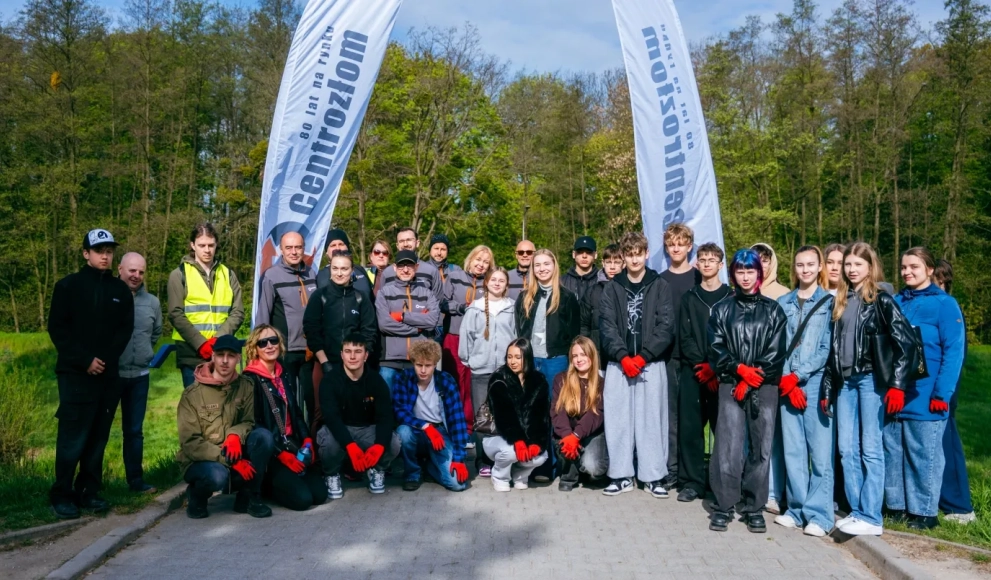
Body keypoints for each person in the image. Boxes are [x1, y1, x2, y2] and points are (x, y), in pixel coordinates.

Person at [819, 242, 916, 537]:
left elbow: (907, 343)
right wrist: (826, 389)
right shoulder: (841, 300)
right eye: (847, 264)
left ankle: (872, 515)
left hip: (871, 381)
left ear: (870, 267)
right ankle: (858, 511)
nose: (850, 269)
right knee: (847, 449)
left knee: (870, 449)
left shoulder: (882, 300)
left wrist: (897, 385)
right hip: (845, 383)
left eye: (857, 264)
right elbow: (832, 352)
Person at [48, 229, 135, 519]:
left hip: (107, 376)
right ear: (86, 253)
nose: (105, 256)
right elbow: (58, 330)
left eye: (109, 251)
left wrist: (105, 361)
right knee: (73, 436)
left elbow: (125, 330)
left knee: (98, 436)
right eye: (99, 250)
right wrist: (85, 360)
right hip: (75, 375)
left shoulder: (120, 290)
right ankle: (62, 494)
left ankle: (89, 491)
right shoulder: (68, 287)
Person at [707, 248, 787, 533]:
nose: (744, 277)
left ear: (759, 273)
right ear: (732, 274)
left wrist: (754, 376)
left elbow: (777, 352)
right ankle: (724, 504)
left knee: (761, 447)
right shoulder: (722, 309)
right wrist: (739, 370)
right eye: (739, 272)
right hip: (731, 384)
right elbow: (715, 348)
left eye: (750, 271)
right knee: (728, 446)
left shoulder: (774, 310)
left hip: (764, 387)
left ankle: (754, 506)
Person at [885, 247, 966, 530]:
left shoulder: (945, 305)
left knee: (924, 453)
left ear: (929, 270)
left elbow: (953, 351)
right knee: (893, 451)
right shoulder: (896, 301)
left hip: (927, 394)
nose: (907, 272)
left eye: (914, 267)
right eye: (904, 267)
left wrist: (942, 393)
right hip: (896, 391)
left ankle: (924, 512)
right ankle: (896, 507)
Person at [599, 232, 674, 498]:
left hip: (650, 363)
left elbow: (666, 326)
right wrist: (622, 356)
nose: (633, 259)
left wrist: (643, 356)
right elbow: (606, 326)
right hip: (619, 364)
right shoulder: (612, 287)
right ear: (623, 256)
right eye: (628, 254)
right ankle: (621, 475)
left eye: (638, 253)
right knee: (618, 420)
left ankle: (653, 476)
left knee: (651, 420)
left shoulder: (659, 284)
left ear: (645, 254)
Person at [774, 246, 835, 537]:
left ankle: (820, 515)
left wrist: (799, 375)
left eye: (811, 264)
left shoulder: (829, 302)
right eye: (800, 264)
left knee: (820, 453)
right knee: (794, 450)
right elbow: (777, 345)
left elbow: (826, 348)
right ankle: (796, 509)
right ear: (794, 267)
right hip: (787, 383)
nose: (805, 269)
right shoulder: (783, 301)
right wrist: (787, 377)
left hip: (814, 382)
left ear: (820, 266)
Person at [177, 335, 273, 519]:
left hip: (233, 450)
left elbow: (248, 421)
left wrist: (234, 435)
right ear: (212, 357)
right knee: (217, 476)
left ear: (238, 358)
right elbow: (190, 443)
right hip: (202, 460)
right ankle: (196, 496)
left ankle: (248, 497)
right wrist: (230, 460)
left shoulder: (246, 385)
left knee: (263, 437)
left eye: (231, 355)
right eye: (220, 355)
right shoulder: (192, 395)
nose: (225, 361)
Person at [242, 326, 327, 510]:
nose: (269, 346)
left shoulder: (283, 373)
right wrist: (281, 454)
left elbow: (296, 412)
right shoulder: (250, 379)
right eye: (262, 343)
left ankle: (287, 482)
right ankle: (264, 486)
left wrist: (306, 440)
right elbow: (254, 424)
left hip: (293, 444)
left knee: (320, 495)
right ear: (254, 348)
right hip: (273, 452)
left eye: (273, 340)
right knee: (303, 501)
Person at [675, 242, 731, 503]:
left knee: (724, 429)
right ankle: (691, 482)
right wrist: (702, 365)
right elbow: (684, 337)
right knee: (691, 429)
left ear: (721, 265)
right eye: (703, 259)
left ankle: (722, 481)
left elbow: (734, 338)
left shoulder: (731, 297)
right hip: (693, 372)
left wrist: (715, 367)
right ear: (696, 264)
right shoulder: (689, 298)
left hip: (723, 375)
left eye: (712, 260)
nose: (707, 264)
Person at [315, 334, 402, 497]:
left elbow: (385, 417)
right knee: (328, 443)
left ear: (366, 355)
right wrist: (350, 445)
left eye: (358, 351)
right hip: (339, 428)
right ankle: (331, 474)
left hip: (367, 429)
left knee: (394, 442)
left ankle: (376, 469)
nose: (353, 356)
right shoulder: (330, 380)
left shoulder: (376, 381)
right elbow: (331, 417)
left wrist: (379, 446)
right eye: (348, 351)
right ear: (341, 355)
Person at [168, 223, 245, 388]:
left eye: (211, 245)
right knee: (196, 408)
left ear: (216, 245)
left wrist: (218, 339)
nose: (207, 250)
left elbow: (238, 311)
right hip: (191, 353)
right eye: (202, 245)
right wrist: (200, 343)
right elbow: (175, 313)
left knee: (225, 407)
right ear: (192, 245)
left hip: (223, 352)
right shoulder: (178, 274)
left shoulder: (228, 274)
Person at [303, 250, 377, 416]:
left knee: (354, 412)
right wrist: (324, 362)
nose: (339, 273)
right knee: (321, 412)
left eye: (344, 269)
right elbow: (311, 330)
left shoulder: (361, 298)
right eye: (335, 268)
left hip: (354, 365)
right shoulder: (319, 297)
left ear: (352, 271)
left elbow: (369, 331)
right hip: (325, 362)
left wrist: (361, 360)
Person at [459, 267, 515, 476]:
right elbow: (466, 340)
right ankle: (483, 460)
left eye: (502, 280)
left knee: (505, 414)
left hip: (505, 371)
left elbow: (517, 337)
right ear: (487, 283)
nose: (497, 283)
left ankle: (505, 457)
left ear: (506, 284)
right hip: (481, 371)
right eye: (494, 280)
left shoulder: (512, 308)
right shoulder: (474, 309)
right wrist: (472, 361)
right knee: (482, 416)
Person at [392, 340, 470, 492]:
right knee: (403, 432)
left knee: (457, 484)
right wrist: (425, 426)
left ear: (435, 364)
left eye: (428, 365)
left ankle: (430, 468)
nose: (423, 370)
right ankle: (412, 473)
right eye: (419, 365)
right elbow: (399, 411)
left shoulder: (446, 381)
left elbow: (457, 421)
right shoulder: (403, 378)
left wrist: (459, 459)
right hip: (415, 429)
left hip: (440, 431)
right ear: (413, 363)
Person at [256, 231, 317, 421]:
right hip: (285, 352)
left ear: (303, 249)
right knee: (287, 406)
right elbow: (263, 316)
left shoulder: (312, 273)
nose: (293, 252)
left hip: (310, 351)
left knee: (315, 403)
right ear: (281, 250)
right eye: (288, 248)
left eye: (298, 247)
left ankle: (317, 446)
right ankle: (290, 447)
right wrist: (260, 350)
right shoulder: (271, 276)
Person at [659, 223, 702, 489]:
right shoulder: (660, 279)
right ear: (666, 247)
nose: (676, 248)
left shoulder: (699, 278)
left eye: (681, 244)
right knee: (669, 418)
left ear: (689, 247)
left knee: (692, 420)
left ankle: (692, 474)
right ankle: (671, 470)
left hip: (693, 359)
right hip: (666, 357)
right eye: (671, 244)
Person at [117, 252, 162, 494]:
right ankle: (89, 486)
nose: (136, 276)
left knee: (134, 432)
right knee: (99, 431)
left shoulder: (152, 302)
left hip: (140, 377)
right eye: (132, 271)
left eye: (141, 272)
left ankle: (135, 481)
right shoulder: (109, 295)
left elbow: (156, 333)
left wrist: (143, 353)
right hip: (112, 375)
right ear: (120, 269)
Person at [933, 260, 975, 523]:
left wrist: (944, 391)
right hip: (926, 386)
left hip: (944, 387)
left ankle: (959, 506)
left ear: (943, 281)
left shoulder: (950, 308)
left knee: (947, 438)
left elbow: (954, 354)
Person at [483, 339, 550, 491]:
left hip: (525, 436)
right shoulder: (499, 378)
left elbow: (540, 416)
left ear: (527, 357)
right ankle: (500, 476)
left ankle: (519, 474)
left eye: (518, 357)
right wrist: (518, 440)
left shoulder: (539, 380)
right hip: (497, 436)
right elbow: (503, 415)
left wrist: (535, 442)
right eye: (509, 356)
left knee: (541, 456)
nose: (512, 361)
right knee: (511, 451)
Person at [442, 245, 495, 437]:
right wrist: (462, 308)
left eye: (485, 262)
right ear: (470, 259)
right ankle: (453, 425)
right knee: (454, 381)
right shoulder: (455, 276)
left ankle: (470, 427)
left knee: (473, 383)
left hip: (478, 340)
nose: (481, 265)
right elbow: (442, 302)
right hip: (454, 336)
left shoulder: (490, 282)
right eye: (478, 260)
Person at [515, 249, 581, 388]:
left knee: (555, 404)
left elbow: (574, 333)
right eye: (537, 265)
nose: (542, 268)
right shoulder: (524, 297)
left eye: (546, 264)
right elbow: (519, 330)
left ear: (554, 266)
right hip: (530, 359)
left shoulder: (567, 297)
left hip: (556, 360)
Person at [375, 250, 440, 390]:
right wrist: (418, 327)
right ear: (394, 268)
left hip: (419, 361)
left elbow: (432, 320)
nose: (405, 270)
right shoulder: (384, 293)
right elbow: (384, 324)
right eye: (401, 266)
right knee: (387, 405)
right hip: (389, 362)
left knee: (417, 408)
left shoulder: (427, 293)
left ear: (416, 267)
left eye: (409, 265)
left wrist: (403, 316)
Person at [551, 337, 608, 492]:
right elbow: (558, 411)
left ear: (592, 356)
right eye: (575, 356)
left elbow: (596, 414)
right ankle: (569, 476)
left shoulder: (602, 383)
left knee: (594, 468)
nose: (579, 359)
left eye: (583, 355)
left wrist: (577, 435)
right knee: (566, 445)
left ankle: (582, 467)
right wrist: (568, 436)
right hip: (567, 434)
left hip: (591, 434)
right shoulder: (561, 379)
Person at [580, 243, 624, 355]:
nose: (612, 267)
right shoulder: (592, 291)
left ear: (623, 264)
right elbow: (584, 325)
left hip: (623, 353)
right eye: (608, 262)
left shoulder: (629, 290)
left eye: (617, 262)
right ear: (603, 263)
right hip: (597, 352)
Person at [376, 228, 443, 301]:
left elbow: (438, 302)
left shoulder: (431, 271)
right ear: (397, 245)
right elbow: (382, 301)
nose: (405, 244)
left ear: (417, 243)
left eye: (409, 240)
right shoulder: (387, 273)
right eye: (401, 241)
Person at [315, 228, 372, 298]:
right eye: (333, 245)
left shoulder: (360, 270)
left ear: (347, 247)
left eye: (341, 244)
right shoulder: (320, 276)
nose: (338, 248)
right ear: (327, 252)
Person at [561, 236, 600, 303]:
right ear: (573, 254)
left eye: (588, 252)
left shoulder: (602, 281)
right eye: (580, 252)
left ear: (595, 255)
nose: (584, 256)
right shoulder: (561, 282)